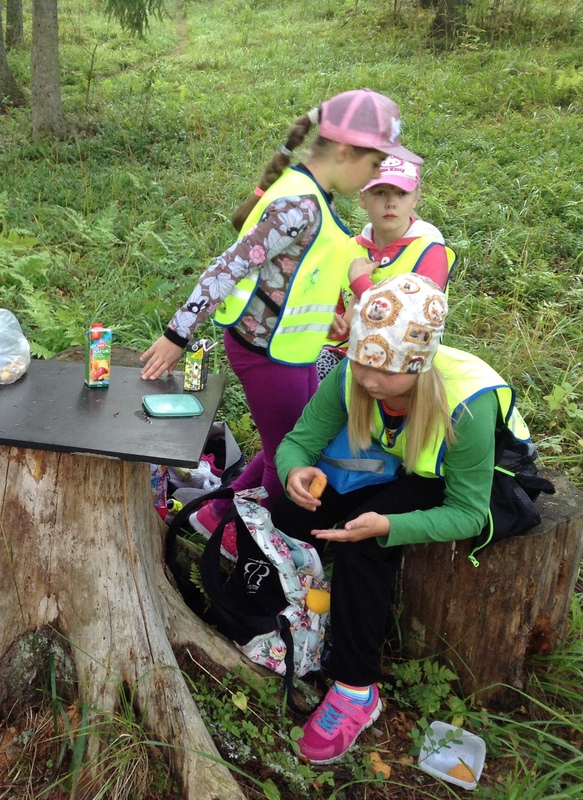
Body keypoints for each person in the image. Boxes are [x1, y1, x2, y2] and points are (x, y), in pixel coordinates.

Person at [140, 89, 423, 552]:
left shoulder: (316, 196)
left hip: (291, 347)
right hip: (265, 352)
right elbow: (228, 266)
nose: (376, 175)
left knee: (294, 441)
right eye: (374, 164)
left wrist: (323, 319)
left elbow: (292, 274)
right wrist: (177, 334)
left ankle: (214, 514)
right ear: (345, 152)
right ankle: (239, 541)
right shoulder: (299, 206)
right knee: (287, 457)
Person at [272, 273, 532, 764]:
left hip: (453, 476)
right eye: (363, 362)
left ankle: (355, 689)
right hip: (397, 456)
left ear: (419, 364)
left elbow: (468, 513)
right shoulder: (353, 375)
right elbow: (299, 441)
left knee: (363, 544)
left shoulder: (467, 405)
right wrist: (294, 472)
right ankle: (296, 611)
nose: (370, 381)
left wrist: (390, 526)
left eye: (387, 371)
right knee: (290, 508)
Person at [315, 155, 455, 380]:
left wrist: (360, 284)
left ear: (416, 198)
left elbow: (416, 326)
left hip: (403, 364)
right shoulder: (349, 248)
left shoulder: (429, 251)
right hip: (343, 352)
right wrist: (332, 320)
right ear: (363, 198)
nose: (391, 202)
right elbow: (335, 308)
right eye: (380, 192)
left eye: (401, 193)